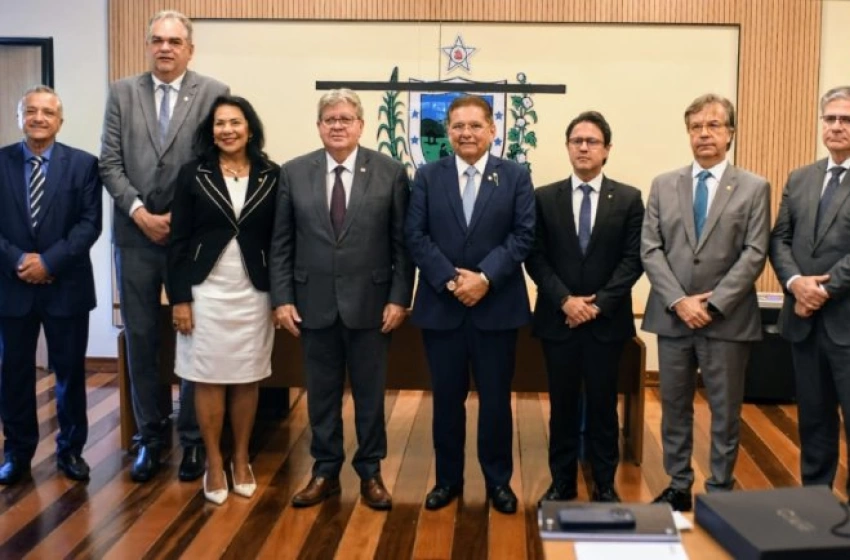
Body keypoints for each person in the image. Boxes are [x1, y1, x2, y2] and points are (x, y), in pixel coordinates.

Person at [100, 10, 229, 483]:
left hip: (189, 238)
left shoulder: (214, 92)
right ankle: (150, 438)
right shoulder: (121, 92)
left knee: (194, 335)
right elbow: (109, 162)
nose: (166, 48)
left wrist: (181, 217)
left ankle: (193, 440)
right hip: (134, 236)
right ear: (147, 45)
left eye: (175, 41)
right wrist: (138, 211)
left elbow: (218, 161)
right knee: (141, 337)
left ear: (190, 48)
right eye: (157, 40)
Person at [269, 89, 413, 511]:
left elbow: (401, 243)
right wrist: (281, 298)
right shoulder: (294, 173)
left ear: (361, 125)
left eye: (346, 118)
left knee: (370, 393)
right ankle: (325, 470)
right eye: (330, 118)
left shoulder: (389, 172)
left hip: (372, 303)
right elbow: (281, 242)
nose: (337, 125)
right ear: (318, 126)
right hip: (312, 303)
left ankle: (370, 472)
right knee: (321, 393)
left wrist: (400, 297)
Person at [405, 95, 536, 514]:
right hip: (442, 308)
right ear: (448, 132)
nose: (466, 133)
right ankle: (447, 481)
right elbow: (415, 235)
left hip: (496, 306)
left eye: (475, 125)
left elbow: (523, 235)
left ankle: (498, 481)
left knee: (496, 401)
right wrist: (450, 279)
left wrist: (483, 278)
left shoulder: (515, 176)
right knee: (446, 400)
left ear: (493, 129)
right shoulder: (427, 176)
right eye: (458, 126)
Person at [641, 94, 771, 511]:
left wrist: (712, 305)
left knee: (725, 410)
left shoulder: (754, 187)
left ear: (730, 133)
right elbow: (650, 248)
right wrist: (679, 301)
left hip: (727, 322)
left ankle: (720, 488)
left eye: (714, 125)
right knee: (674, 406)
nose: (704, 134)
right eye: (696, 126)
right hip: (674, 318)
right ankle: (679, 483)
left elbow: (755, 252)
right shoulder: (664, 184)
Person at [525, 111, 644, 504]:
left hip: (606, 322)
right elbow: (535, 257)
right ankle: (561, 482)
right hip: (558, 320)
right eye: (576, 140)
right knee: (561, 406)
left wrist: (599, 304)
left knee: (603, 406)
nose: (583, 147)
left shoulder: (628, 199)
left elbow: (633, 259)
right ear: (567, 147)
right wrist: (565, 300)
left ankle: (604, 483)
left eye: (592, 141)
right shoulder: (544, 197)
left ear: (607, 150)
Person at [167, 96, 277, 504]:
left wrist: (281, 296)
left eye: (235, 122)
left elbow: (279, 241)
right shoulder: (192, 174)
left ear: (250, 128)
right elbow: (177, 242)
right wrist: (180, 299)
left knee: (247, 375)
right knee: (208, 377)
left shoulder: (271, 174)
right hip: (204, 292)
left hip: (253, 292)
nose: (227, 130)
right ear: (210, 130)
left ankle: (242, 457)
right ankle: (214, 461)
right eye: (219, 123)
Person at [0, 86, 102, 484]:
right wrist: (17, 260)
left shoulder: (83, 165)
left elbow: (89, 224)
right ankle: (17, 454)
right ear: (19, 117)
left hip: (67, 288)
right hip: (12, 287)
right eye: (31, 111)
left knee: (70, 373)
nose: (39, 118)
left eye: (47, 112)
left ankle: (71, 451)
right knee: (14, 375)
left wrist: (49, 262)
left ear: (60, 121)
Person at [769, 86, 850, 499]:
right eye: (830, 118)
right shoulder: (801, 178)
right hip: (803, 319)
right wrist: (795, 283)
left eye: (846, 119)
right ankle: (815, 505)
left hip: (845, 322)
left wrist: (826, 288)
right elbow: (779, 238)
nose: (836, 126)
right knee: (814, 420)